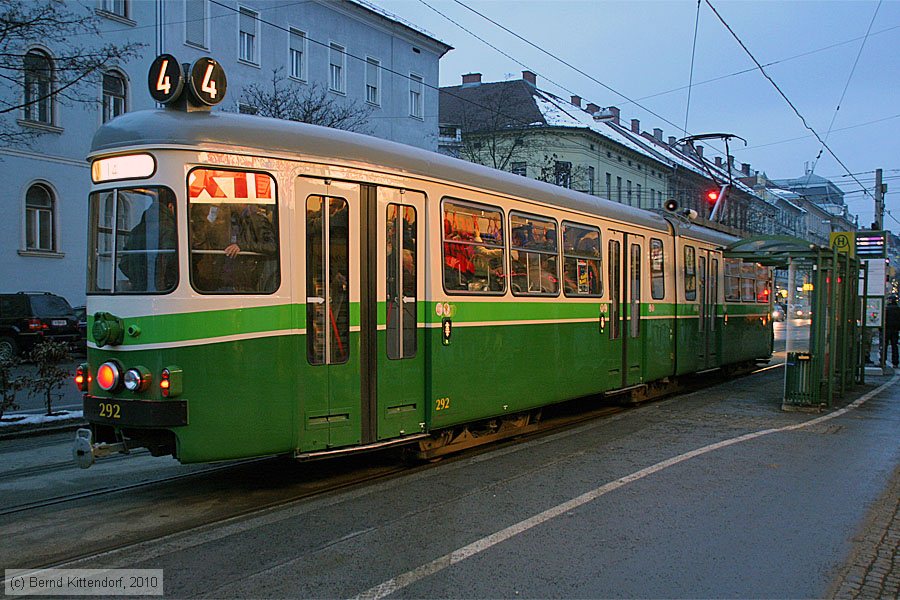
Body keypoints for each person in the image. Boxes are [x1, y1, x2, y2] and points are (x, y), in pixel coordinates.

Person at [119, 196, 176, 292]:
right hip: (164, 288)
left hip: (139, 288)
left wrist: (138, 278)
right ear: (170, 206)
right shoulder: (170, 228)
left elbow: (124, 263)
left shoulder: (136, 230)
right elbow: (170, 259)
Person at [884, 294, 900, 368]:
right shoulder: (898, 309)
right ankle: (895, 362)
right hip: (895, 330)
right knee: (894, 346)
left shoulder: (887, 309)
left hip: (887, 329)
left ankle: (883, 360)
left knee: (885, 345)